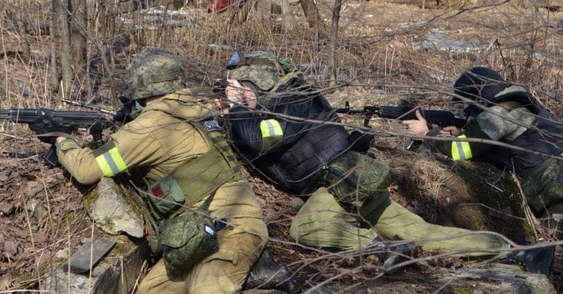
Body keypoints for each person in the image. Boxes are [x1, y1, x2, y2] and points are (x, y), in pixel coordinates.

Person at [218, 51, 555, 274]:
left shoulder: (290, 102)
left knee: (306, 228)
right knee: (424, 232)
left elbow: (256, 138)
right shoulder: (287, 100)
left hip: (341, 180)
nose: (241, 92)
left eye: (244, 86)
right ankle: (516, 251)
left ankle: (383, 248)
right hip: (351, 178)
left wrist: (235, 107)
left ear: (257, 83)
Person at [52, 48, 269, 293]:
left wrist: (62, 142)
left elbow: (86, 169)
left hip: (229, 231)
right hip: (198, 234)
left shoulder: (152, 125)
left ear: (140, 87)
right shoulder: (194, 105)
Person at [403, 66, 563, 223]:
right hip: (554, 178)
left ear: (479, 97)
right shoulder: (514, 104)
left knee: (553, 241)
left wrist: (425, 133)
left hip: (556, 182)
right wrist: (462, 134)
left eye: (466, 102)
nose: (464, 109)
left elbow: (459, 151)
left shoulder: (499, 114)